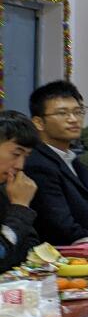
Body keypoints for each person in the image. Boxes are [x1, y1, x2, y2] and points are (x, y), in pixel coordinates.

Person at [24, 81, 88, 245]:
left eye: (78, 112)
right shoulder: (37, 164)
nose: (74, 119)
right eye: (62, 113)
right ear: (39, 123)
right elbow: (62, 228)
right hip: (62, 253)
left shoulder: (75, 161)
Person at [0, 111, 40, 273]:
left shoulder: (6, 188)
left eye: (26, 156)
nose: (20, 166)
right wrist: (20, 208)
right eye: (16, 154)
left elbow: (30, 248)